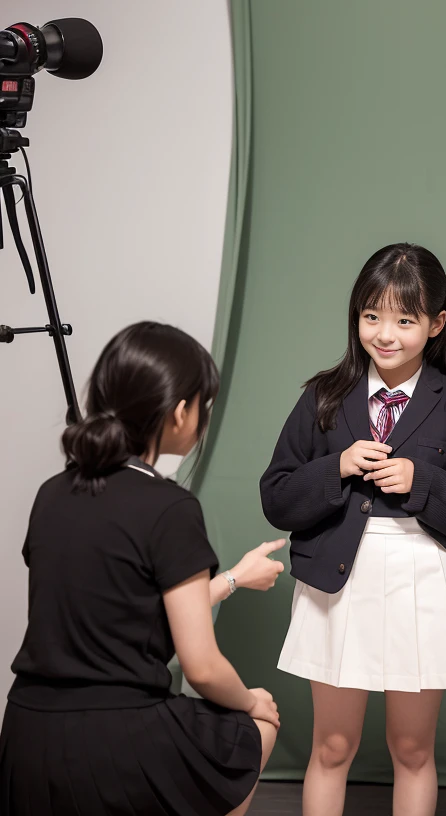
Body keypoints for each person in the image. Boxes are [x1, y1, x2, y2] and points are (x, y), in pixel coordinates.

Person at [0, 321, 285, 816]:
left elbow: (121, 607)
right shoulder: (170, 507)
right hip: (115, 742)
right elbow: (201, 667)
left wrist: (233, 578)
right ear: (180, 412)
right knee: (256, 725)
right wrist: (251, 702)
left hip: (24, 739)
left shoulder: (52, 494)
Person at [261, 243, 446, 816]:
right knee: (332, 745)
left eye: (404, 320)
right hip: (337, 580)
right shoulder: (324, 396)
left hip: (422, 580)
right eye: (371, 316)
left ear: (436, 324)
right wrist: (337, 467)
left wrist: (423, 481)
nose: (385, 334)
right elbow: (277, 496)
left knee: (413, 749)